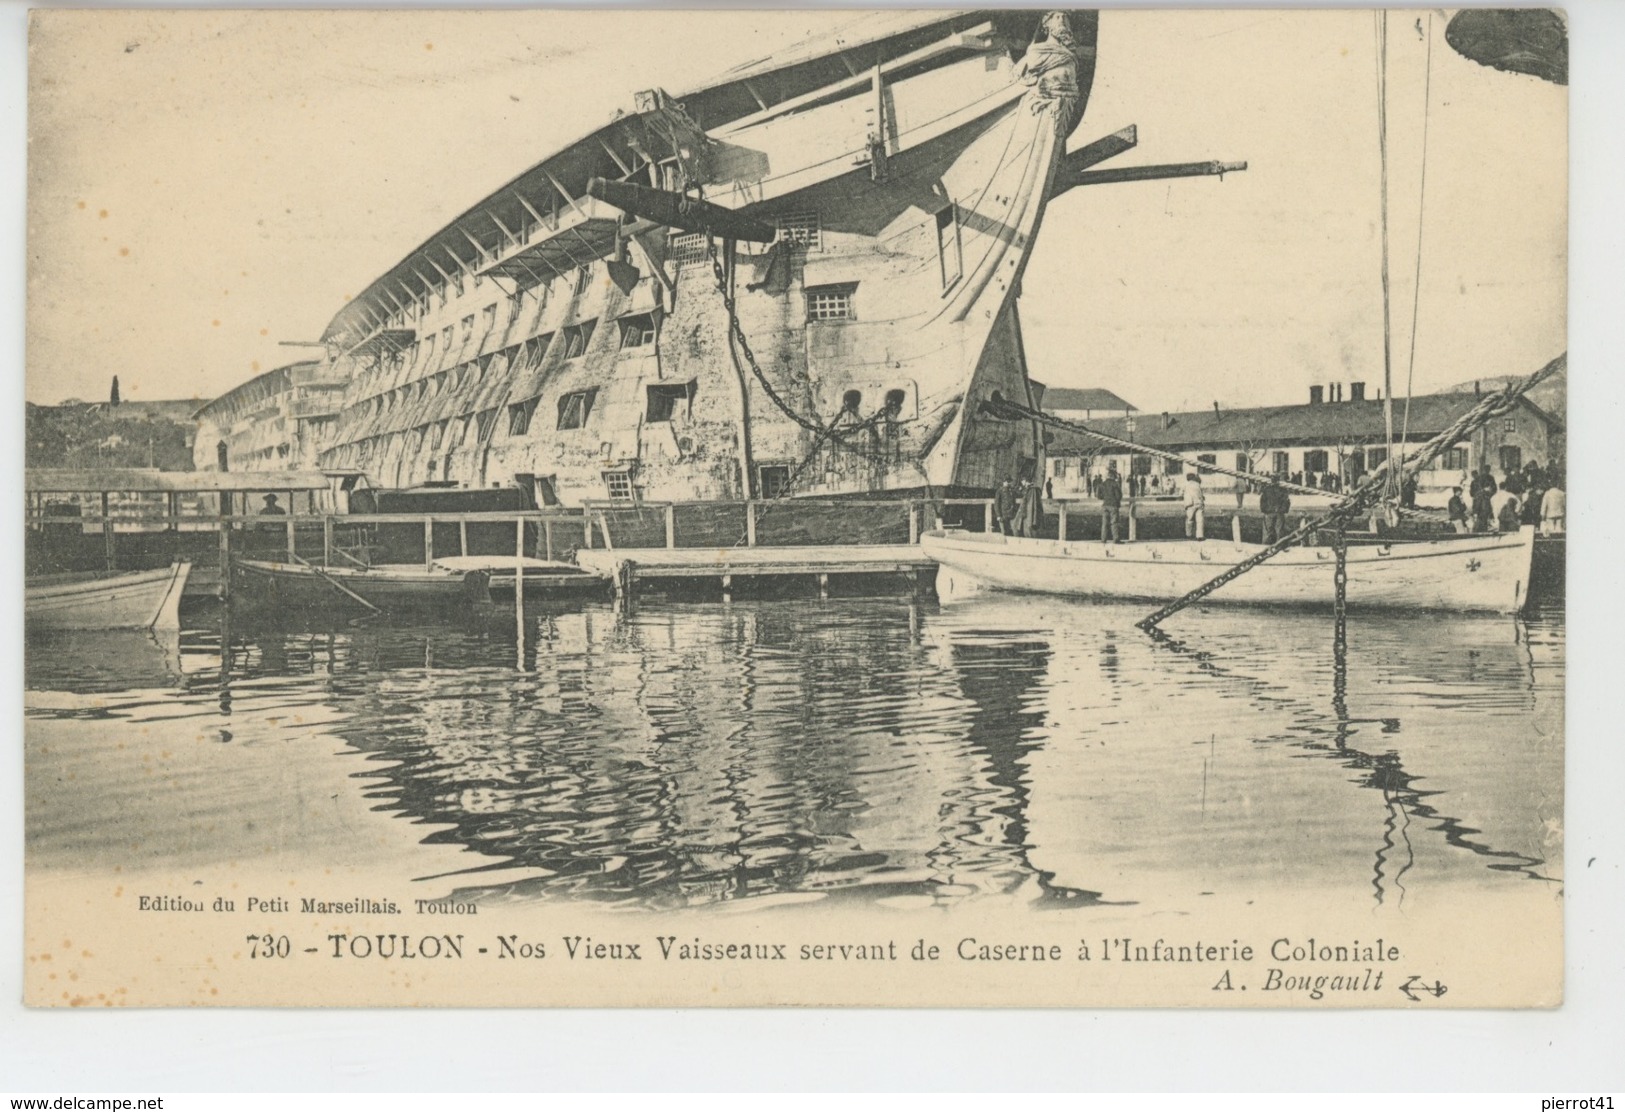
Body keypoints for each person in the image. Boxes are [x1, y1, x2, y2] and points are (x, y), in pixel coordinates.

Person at [1259, 474, 1291, 545]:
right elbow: (1287, 501)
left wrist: (1264, 510)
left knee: (1268, 530)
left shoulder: (1267, 489)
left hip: (1269, 512)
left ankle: (1267, 545)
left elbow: (1262, 501)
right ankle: (1278, 544)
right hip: (1278, 512)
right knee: (1279, 530)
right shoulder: (1283, 490)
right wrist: (1283, 510)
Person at [1098, 462, 1123, 544]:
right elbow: (1118, 496)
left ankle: (1103, 539)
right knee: (1114, 522)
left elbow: (1098, 495)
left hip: (1105, 505)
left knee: (1104, 523)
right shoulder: (1115, 484)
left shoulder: (1102, 484)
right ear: (1113, 476)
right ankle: (1115, 539)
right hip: (1113, 505)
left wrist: (1104, 497)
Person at [1183, 472, 1205, 540]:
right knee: (1200, 520)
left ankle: (1188, 534)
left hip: (1190, 504)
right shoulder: (1197, 484)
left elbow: (1181, 492)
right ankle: (1200, 535)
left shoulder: (1186, 484)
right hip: (1199, 503)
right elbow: (1201, 493)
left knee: (1189, 519)